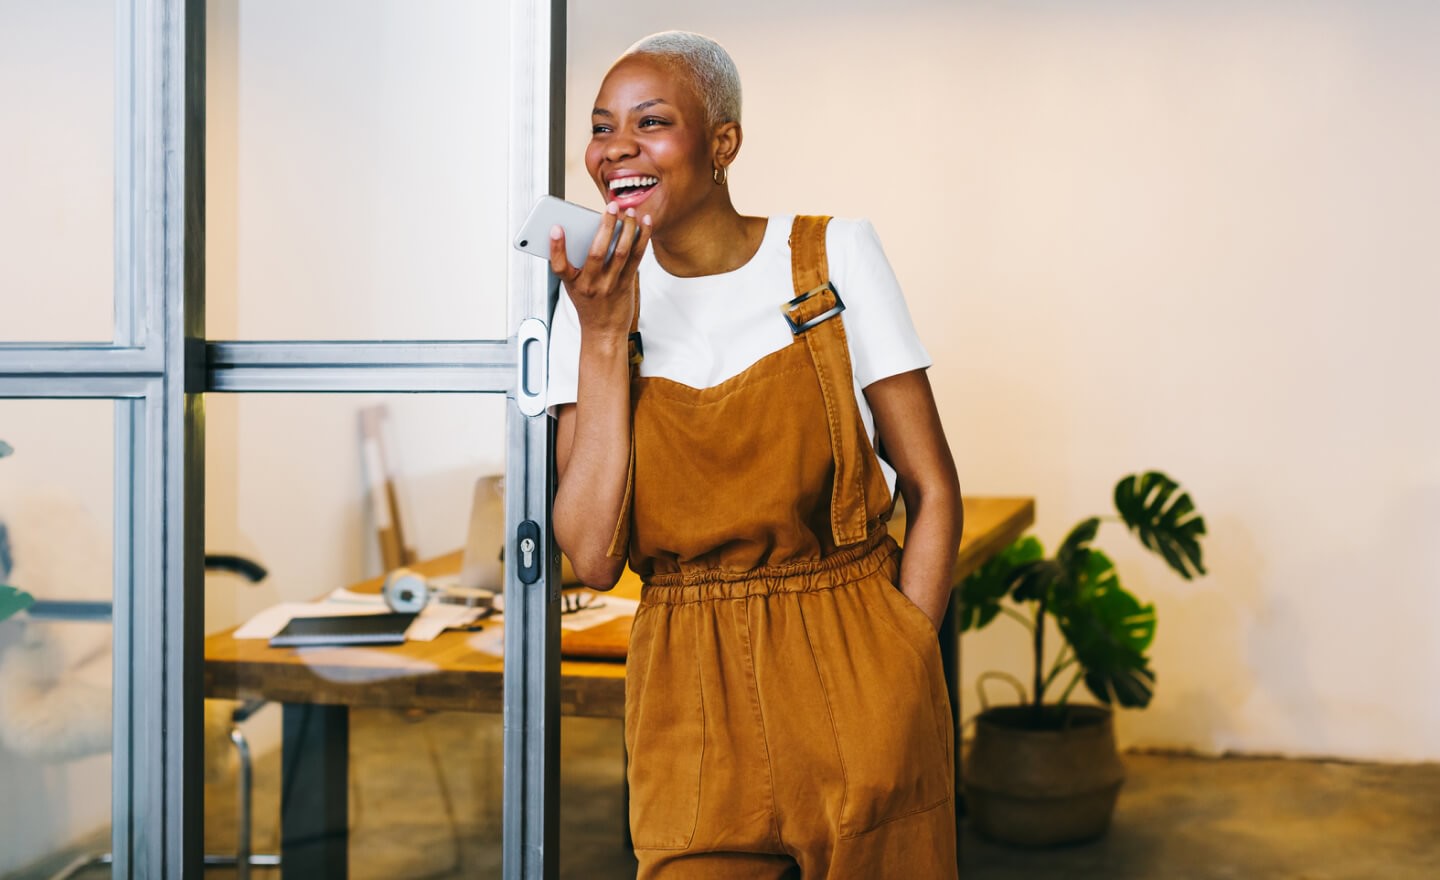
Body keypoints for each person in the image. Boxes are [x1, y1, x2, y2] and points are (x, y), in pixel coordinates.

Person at [547, 30, 962, 880]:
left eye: (651, 121)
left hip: (855, 657)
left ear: (723, 143)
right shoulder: (589, 302)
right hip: (684, 687)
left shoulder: (831, 254)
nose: (616, 148)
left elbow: (932, 486)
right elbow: (589, 555)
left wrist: (904, 657)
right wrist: (600, 339)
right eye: (601, 127)